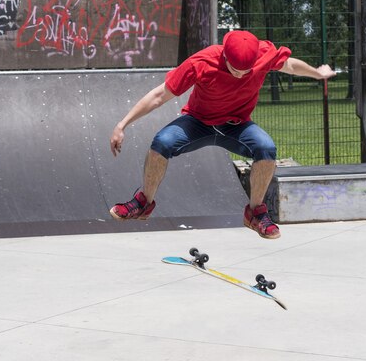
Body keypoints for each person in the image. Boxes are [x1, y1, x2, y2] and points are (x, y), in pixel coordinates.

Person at [108, 30, 336, 239]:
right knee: (162, 142)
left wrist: (317, 73)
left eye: (245, 71)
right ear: (224, 55)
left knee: (266, 148)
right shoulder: (202, 61)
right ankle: (144, 202)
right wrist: (123, 124)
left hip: (236, 126)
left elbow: (290, 65)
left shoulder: (263, 53)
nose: (239, 75)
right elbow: (160, 95)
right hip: (198, 122)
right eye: (235, 69)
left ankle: (255, 212)